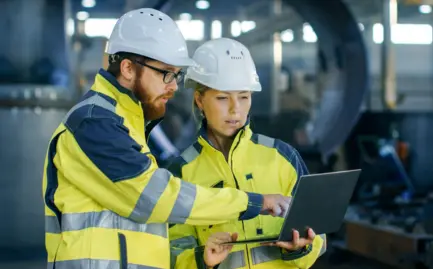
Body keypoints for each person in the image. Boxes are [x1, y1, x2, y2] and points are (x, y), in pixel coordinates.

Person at [42, 8, 291, 269]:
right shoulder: (94, 123)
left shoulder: (125, 122)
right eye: (166, 73)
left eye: (176, 75)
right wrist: (254, 202)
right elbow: (154, 198)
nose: (173, 86)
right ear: (127, 68)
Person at [168, 38, 327, 269]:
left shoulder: (283, 158)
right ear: (199, 100)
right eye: (223, 98)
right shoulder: (180, 173)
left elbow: (320, 237)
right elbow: (172, 252)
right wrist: (202, 259)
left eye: (244, 97)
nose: (235, 109)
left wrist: (302, 247)